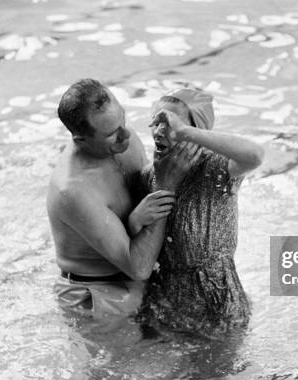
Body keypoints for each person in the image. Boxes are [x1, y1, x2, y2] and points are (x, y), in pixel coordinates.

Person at [47, 78, 197, 318]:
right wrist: (167, 186)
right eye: (111, 133)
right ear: (80, 139)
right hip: (97, 296)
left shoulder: (121, 137)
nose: (126, 135)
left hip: (140, 276)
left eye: (123, 120)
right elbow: (139, 267)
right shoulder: (73, 189)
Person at [137, 88, 265, 338]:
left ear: (198, 132)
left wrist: (185, 132)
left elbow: (255, 155)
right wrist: (134, 220)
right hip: (164, 305)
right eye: (156, 121)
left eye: (171, 123)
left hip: (217, 305)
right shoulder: (151, 176)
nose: (159, 131)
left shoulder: (217, 171)